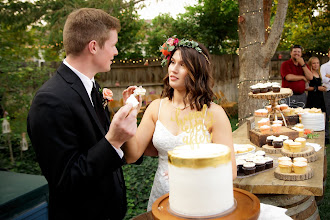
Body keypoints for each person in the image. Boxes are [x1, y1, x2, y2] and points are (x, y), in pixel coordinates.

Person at [27, 8, 139, 220]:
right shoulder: (50, 100)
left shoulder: (91, 86)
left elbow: (95, 143)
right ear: (94, 47)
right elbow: (66, 180)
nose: (116, 52)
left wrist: (127, 113)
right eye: (113, 45)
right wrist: (113, 140)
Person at [122, 37, 237, 211]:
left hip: (199, 201)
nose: (173, 69)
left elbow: (230, 171)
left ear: (197, 72)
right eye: (172, 62)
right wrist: (130, 116)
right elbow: (132, 156)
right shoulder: (155, 108)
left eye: (182, 65)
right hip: (160, 199)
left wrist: (189, 176)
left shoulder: (214, 113)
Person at [321, 48, 330, 144]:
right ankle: (327, 136)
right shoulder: (324, 66)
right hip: (327, 92)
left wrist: (329, 76)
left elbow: (327, 78)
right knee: (326, 114)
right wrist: (326, 77)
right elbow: (323, 80)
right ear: (328, 54)